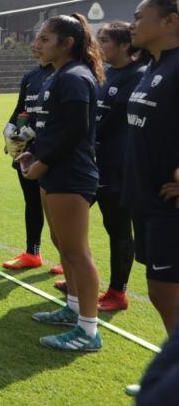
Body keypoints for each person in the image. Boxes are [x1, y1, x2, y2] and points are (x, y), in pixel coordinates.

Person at [17, 14, 104, 351]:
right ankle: (73, 310)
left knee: (78, 252)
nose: (36, 45)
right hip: (55, 171)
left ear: (67, 44)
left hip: (71, 174)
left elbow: (75, 130)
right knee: (62, 244)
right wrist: (32, 152)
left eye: (44, 39)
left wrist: (44, 162)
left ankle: (88, 330)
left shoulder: (74, 78)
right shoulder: (58, 76)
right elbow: (52, 129)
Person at [124, 0, 179, 334]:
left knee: (165, 291)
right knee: (161, 291)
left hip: (169, 203)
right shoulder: (153, 66)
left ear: (170, 21)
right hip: (144, 197)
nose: (133, 25)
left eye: (140, 16)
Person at [90, 21, 146, 311]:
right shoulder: (107, 74)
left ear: (125, 44)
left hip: (117, 166)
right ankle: (84, 276)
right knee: (70, 219)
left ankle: (117, 292)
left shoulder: (139, 75)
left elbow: (115, 123)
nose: (100, 47)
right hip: (93, 161)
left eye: (106, 41)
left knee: (118, 228)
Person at [1, 42, 52, 269]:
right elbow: (20, 107)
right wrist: (10, 133)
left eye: (44, 41)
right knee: (31, 201)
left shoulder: (65, 75)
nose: (36, 46)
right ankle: (33, 253)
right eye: (35, 41)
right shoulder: (31, 76)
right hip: (25, 151)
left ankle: (68, 257)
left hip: (51, 151)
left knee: (56, 206)